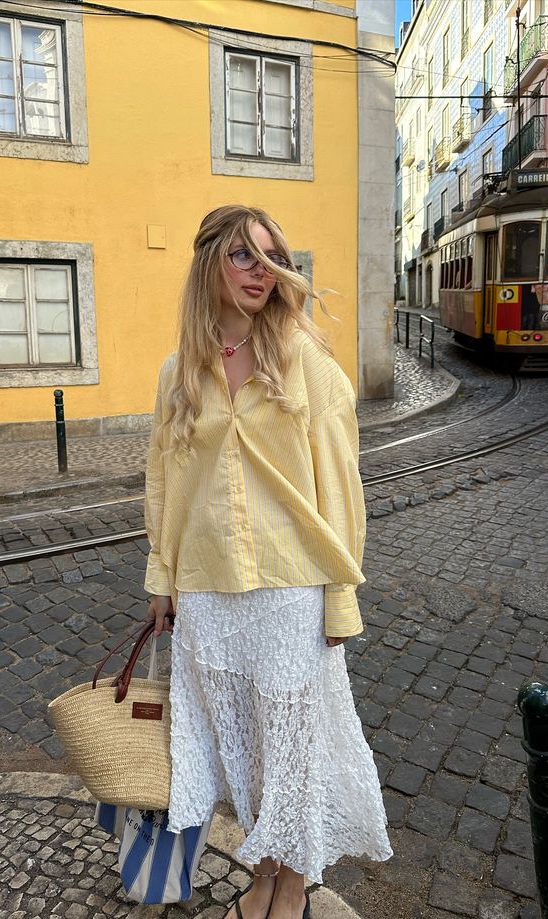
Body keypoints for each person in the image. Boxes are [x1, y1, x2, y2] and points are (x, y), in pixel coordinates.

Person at [144, 205, 392, 919]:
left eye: (271, 256)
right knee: (243, 746)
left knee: (290, 746)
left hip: (289, 590)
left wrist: (341, 598)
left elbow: (341, 487)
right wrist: (162, 580)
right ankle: (264, 873)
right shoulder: (177, 373)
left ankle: (290, 884)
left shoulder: (304, 360)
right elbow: (163, 482)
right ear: (210, 265)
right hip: (207, 592)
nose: (262, 272)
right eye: (244, 256)